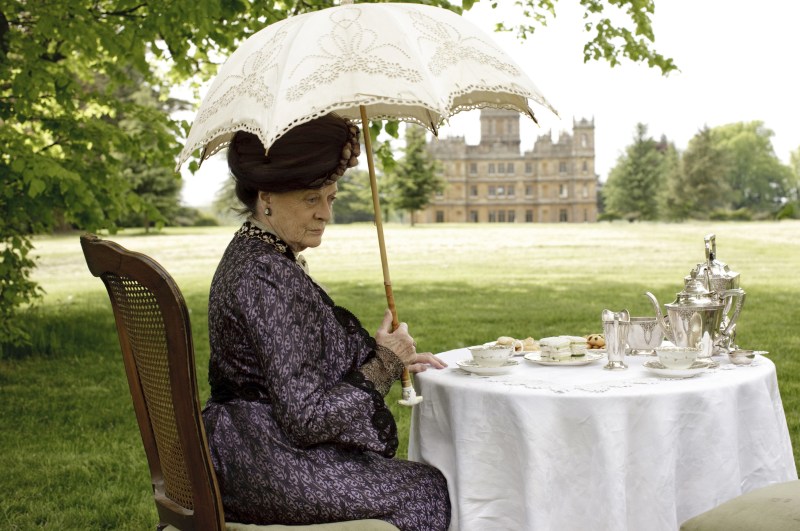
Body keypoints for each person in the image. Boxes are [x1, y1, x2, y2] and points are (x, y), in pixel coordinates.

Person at [202, 113, 451, 531]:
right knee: (425, 490)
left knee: (419, 482)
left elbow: (298, 363)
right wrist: (384, 365)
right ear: (266, 198)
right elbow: (307, 418)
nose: (325, 215)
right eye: (311, 199)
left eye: (330, 199)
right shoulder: (265, 276)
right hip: (262, 461)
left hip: (250, 448)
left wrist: (384, 353)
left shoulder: (260, 257)